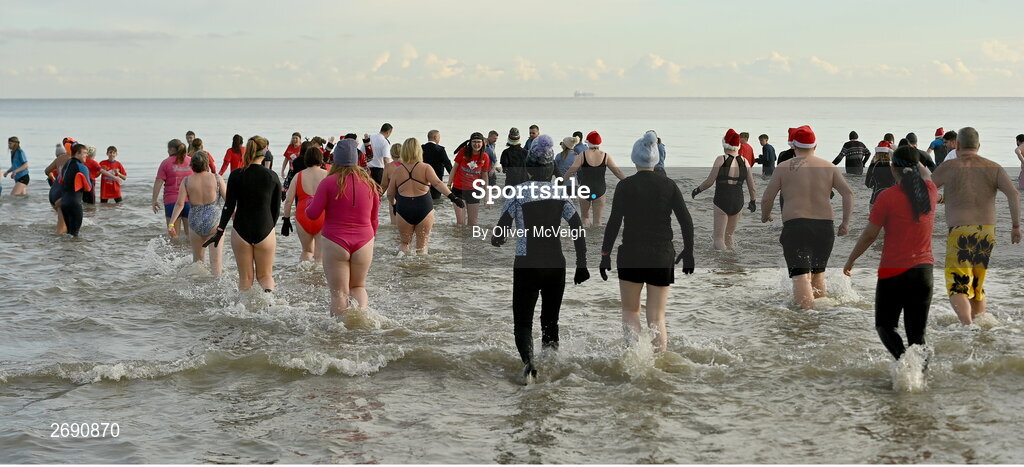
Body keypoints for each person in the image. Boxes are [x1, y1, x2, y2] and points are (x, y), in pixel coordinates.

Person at [491, 134, 589, 380]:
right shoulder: (560, 193)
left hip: (527, 264)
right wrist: (582, 265)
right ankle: (552, 368)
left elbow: (499, 233)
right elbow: (577, 228)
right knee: (550, 322)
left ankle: (529, 365)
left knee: (523, 323)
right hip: (556, 265)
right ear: (551, 168)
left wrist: (499, 239)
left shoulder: (518, 193)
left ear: (529, 168)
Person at [601, 131, 695, 352]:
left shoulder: (625, 186)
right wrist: (689, 251)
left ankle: (635, 359)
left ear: (634, 159)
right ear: (655, 159)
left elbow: (613, 223)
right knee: (657, 316)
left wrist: (605, 255)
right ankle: (658, 365)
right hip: (662, 254)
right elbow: (686, 221)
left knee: (630, 311)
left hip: (631, 254)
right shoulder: (669, 185)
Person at [844, 146, 938, 360]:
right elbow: (927, 171)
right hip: (924, 273)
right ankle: (920, 378)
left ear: (893, 167)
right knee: (917, 335)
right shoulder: (930, 191)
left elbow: (869, 235)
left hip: (893, 273)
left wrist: (851, 259)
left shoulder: (887, 197)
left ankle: (905, 363)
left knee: (885, 327)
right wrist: (917, 155)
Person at [931, 127, 1021, 325]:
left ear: (958, 145)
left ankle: (968, 326)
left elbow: (926, 191)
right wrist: (1015, 226)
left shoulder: (948, 167)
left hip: (960, 230)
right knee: (977, 285)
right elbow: (1014, 194)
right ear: (978, 146)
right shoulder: (994, 167)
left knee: (958, 285)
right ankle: (982, 325)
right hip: (987, 232)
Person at [760, 125, 854, 310]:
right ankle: (821, 316)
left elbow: (767, 198)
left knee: (801, 275)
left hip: (797, 227)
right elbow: (848, 194)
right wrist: (845, 223)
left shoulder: (784, 167)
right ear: (815, 146)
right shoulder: (829, 166)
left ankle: (806, 320)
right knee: (818, 274)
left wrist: (766, 215)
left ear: (794, 147)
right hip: (825, 228)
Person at [306, 139, 381, 314]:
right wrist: (370, 240)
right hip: (364, 241)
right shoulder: (370, 183)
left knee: (339, 294)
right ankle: (360, 322)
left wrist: (311, 200)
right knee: (358, 287)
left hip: (335, 241)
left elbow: (312, 214)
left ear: (335, 160)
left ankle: (338, 334)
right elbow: (374, 219)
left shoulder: (328, 182)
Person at [205, 136, 282, 292]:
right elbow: (276, 210)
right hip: (265, 228)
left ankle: (243, 310)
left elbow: (229, 206)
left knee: (245, 279)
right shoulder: (272, 176)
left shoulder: (236, 175)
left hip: (241, 230)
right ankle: (269, 305)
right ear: (265, 152)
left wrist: (220, 230)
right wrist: (269, 228)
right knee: (266, 277)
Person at [387, 138, 465, 255]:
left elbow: (390, 193)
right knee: (422, 245)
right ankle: (422, 271)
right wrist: (453, 197)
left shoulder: (398, 171)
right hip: (423, 207)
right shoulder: (425, 167)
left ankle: (403, 267)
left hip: (404, 207)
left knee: (404, 243)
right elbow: (438, 183)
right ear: (419, 151)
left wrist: (394, 205)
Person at [692, 129, 758, 251]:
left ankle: (724, 262)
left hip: (722, 200)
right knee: (729, 237)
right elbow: (752, 185)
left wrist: (697, 190)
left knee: (718, 239)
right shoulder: (745, 162)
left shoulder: (721, 159)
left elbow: (709, 181)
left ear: (725, 144)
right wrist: (753, 201)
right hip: (738, 201)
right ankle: (731, 263)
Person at [168, 152, 227, 275]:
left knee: (197, 263)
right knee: (215, 263)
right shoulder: (216, 178)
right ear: (207, 163)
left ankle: (197, 288)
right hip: (214, 222)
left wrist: (172, 224)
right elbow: (229, 201)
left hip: (195, 222)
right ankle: (216, 289)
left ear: (192, 165)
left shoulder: (187, 180)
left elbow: (179, 204)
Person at [563, 131, 627, 227]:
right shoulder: (605, 156)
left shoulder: (583, 155)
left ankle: (585, 240)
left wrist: (561, 181)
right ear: (599, 143)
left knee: (584, 218)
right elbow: (617, 172)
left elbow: (571, 171)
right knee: (597, 222)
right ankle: (597, 241)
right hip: (599, 190)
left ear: (588, 142)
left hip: (585, 189)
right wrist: (629, 181)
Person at [281, 146, 328, 262]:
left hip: (303, 217)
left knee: (307, 251)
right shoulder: (327, 175)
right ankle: (317, 279)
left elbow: (288, 201)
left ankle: (302, 277)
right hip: (322, 216)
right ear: (320, 158)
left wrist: (286, 220)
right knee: (320, 256)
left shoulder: (298, 176)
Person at [153, 139, 193, 237]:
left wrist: (154, 200)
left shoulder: (165, 163)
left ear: (171, 149)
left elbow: (159, 182)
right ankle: (190, 253)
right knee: (191, 237)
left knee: (174, 236)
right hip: (189, 201)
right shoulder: (191, 161)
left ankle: (175, 253)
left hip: (172, 202)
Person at [449, 132, 491, 226]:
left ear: (483, 143)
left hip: (474, 190)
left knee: (473, 223)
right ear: (470, 143)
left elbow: (485, 176)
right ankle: (458, 240)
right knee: (460, 223)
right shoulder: (463, 151)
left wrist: (487, 196)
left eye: (479, 142)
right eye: (474, 142)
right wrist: (448, 184)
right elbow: (454, 168)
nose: (476, 144)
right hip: (458, 189)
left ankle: (470, 241)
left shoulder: (485, 156)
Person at [57, 143, 94, 237]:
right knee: (75, 236)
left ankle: (66, 251)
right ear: (77, 153)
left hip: (64, 204)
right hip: (75, 204)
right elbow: (88, 188)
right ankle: (74, 251)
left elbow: (60, 180)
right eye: (85, 153)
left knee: (69, 233)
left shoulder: (66, 165)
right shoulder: (82, 167)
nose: (87, 155)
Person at [44, 143, 71, 234]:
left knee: (63, 219)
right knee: (61, 229)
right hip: (62, 193)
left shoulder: (58, 160)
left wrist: (52, 178)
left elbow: (47, 171)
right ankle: (57, 245)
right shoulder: (71, 159)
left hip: (53, 192)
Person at [421, 130, 452, 202]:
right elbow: (447, 163)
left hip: (422, 178)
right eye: (439, 137)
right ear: (435, 137)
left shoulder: (421, 148)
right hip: (436, 178)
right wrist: (453, 176)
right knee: (435, 200)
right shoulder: (440, 149)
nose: (439, 139)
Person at [379, 144, 404, 224]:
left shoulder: (388, 166)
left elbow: (384, 186)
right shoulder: (410, 165)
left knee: (395, 226)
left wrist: (375, 198)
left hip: (394, 198)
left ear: (391, 154)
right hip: (409, 196)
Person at [866, 141, 896, 205]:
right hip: (892, 198)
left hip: (876, 198)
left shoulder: (873, 165)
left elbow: (868, 184)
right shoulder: (893, 166)